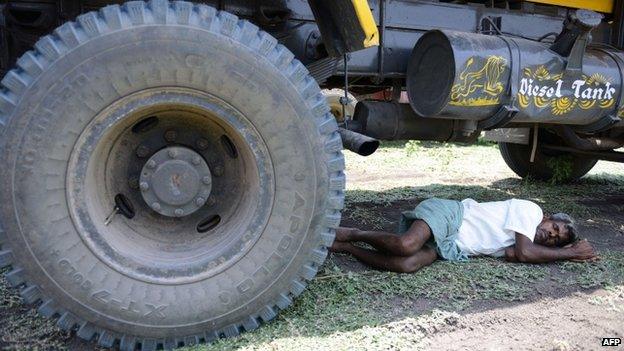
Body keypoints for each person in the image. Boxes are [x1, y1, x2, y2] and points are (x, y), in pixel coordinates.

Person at [330, 198, 598, 273]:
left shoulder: (518, 241)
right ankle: (354, 233)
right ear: (548, 217)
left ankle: (348, 249)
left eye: (555, 239)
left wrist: (565, 255)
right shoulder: (531, 211)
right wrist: (569, 253)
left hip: (451, 245)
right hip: (450, 215)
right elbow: (526, 252)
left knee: (407, 263)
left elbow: (517, 255)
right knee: (406, 244)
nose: (549, 235)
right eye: (554, 228)